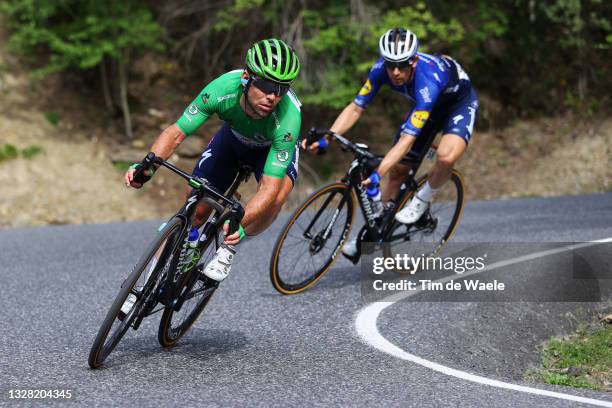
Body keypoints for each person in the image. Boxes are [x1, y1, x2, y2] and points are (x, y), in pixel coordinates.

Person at [125, 38, 302, 281]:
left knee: (277, 198)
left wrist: (240, 221)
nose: (273, 96)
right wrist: (147, 166)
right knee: (196, 206)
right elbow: (177, 133)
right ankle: (146, 281)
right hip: (234, 139)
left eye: (281, 89)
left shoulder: (289, 118)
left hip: (269, 149)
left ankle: (229, 247)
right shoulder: (222, 89)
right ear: (246, 78)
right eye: (266, 85)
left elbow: (269, 188)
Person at [304, 28, 478, 259]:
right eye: (390, 64)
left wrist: (378, 172)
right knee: (397, 172)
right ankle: (375, 231)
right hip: (424, 109)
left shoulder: (428, 80)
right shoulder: (380, 70)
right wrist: (328, 137)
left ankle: (422, 199)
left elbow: (407, 141)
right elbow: (356, 107)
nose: (396, 72)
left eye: (403, 65)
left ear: (414, 61)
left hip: (457, 105)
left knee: (446, 156)